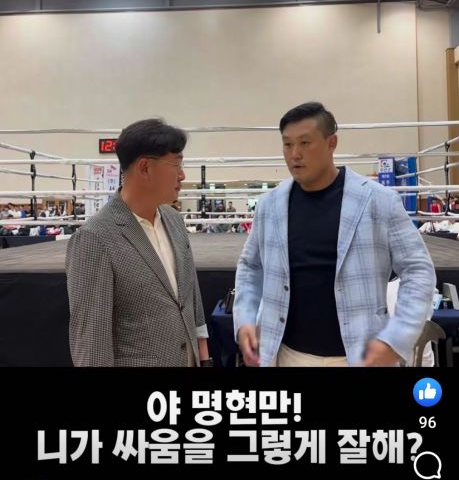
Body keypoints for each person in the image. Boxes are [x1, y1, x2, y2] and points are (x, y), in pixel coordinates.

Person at [234, 102, 436, 367]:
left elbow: (418, 271)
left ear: (332, 143)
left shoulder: (378, 201)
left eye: (305, 143)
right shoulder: (270, 205)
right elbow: (250, 266)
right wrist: (245, 318)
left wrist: (396, 338)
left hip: (360, 357)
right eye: (287, 144)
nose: (295, 154)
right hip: (286, 355)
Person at [66, 118, 212, 367]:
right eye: (176, 164)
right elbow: (92, 343)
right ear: (145, 167)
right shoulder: (95, 239)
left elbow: (191, 299)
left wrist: (205, 358)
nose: (182, 174)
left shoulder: (174, 220)